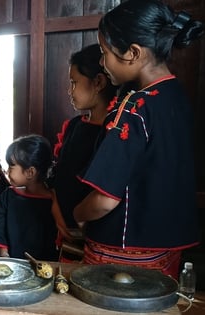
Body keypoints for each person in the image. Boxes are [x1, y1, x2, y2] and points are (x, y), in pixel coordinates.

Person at [74, 0, 203, 278]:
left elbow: (105, 201)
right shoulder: (177, 96)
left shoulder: (135, 107)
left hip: (123, 250)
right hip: (167, 249)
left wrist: (78, 214)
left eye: (104, 52)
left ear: (133, 53)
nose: (101, 62)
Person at [49, 44, 119, 262]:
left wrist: (80, 219)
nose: (70, 90)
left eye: (74, 82)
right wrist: (56, 208)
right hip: (66, 233)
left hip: (97, 238)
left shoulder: (115, 132)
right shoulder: (74, 126)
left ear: (98, 82)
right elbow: (58, 176)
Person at [0, 134, 58, 261]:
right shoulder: (9, 195)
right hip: (13, 263)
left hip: (43, 265)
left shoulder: (53, 202)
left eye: (11, 166)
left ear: (30, 172)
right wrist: (4, 254)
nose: (7, 171)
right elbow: (0, 229)